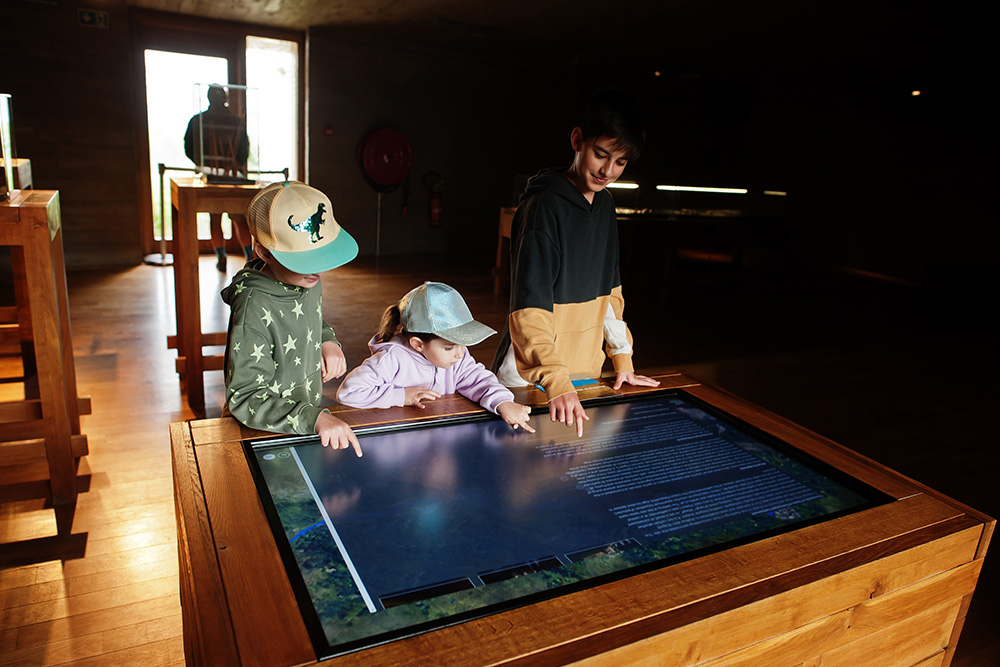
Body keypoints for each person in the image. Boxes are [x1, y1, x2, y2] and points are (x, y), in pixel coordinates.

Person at [491, 89, 660, 437]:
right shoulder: (542, 208)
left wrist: (622, 361)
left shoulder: (606, 208)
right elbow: (529, 311)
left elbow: (610, 298)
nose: (608, 170)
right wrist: (556, 379)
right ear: (577, 139)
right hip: (532, 379)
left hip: (585, 374)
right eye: (601, 155)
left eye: (621, 162)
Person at [221, 180, 363, 455]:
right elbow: (245, 397)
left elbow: (313, 319)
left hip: (302, 419)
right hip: (261, 432)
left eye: (323, 257)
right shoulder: (253, 308)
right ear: (264, 253)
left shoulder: (305, 278)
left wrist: (327, 340)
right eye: (307, 260)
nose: (318, 271)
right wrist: (315, 418)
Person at [337, 281, 535, 432]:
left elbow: (478, 379)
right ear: (418, 344)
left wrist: (503, 402)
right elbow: (349, 392)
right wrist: (401, 396)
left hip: (440, 435)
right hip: (400, 438)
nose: (460, 353)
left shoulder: (457, 356)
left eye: (462, 343)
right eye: (449, 347)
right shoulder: (392, 359)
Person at [184, 83, 253, 271]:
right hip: (229, 175)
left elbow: (189, 148)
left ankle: (223, 257)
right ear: (225, 98)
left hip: (210, 175)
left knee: (216, 217)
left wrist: (203, 163)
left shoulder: (199, 120)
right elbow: (243, 151)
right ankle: (248, 257)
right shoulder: (235, 122)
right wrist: (234, 164)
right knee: (238, 218)